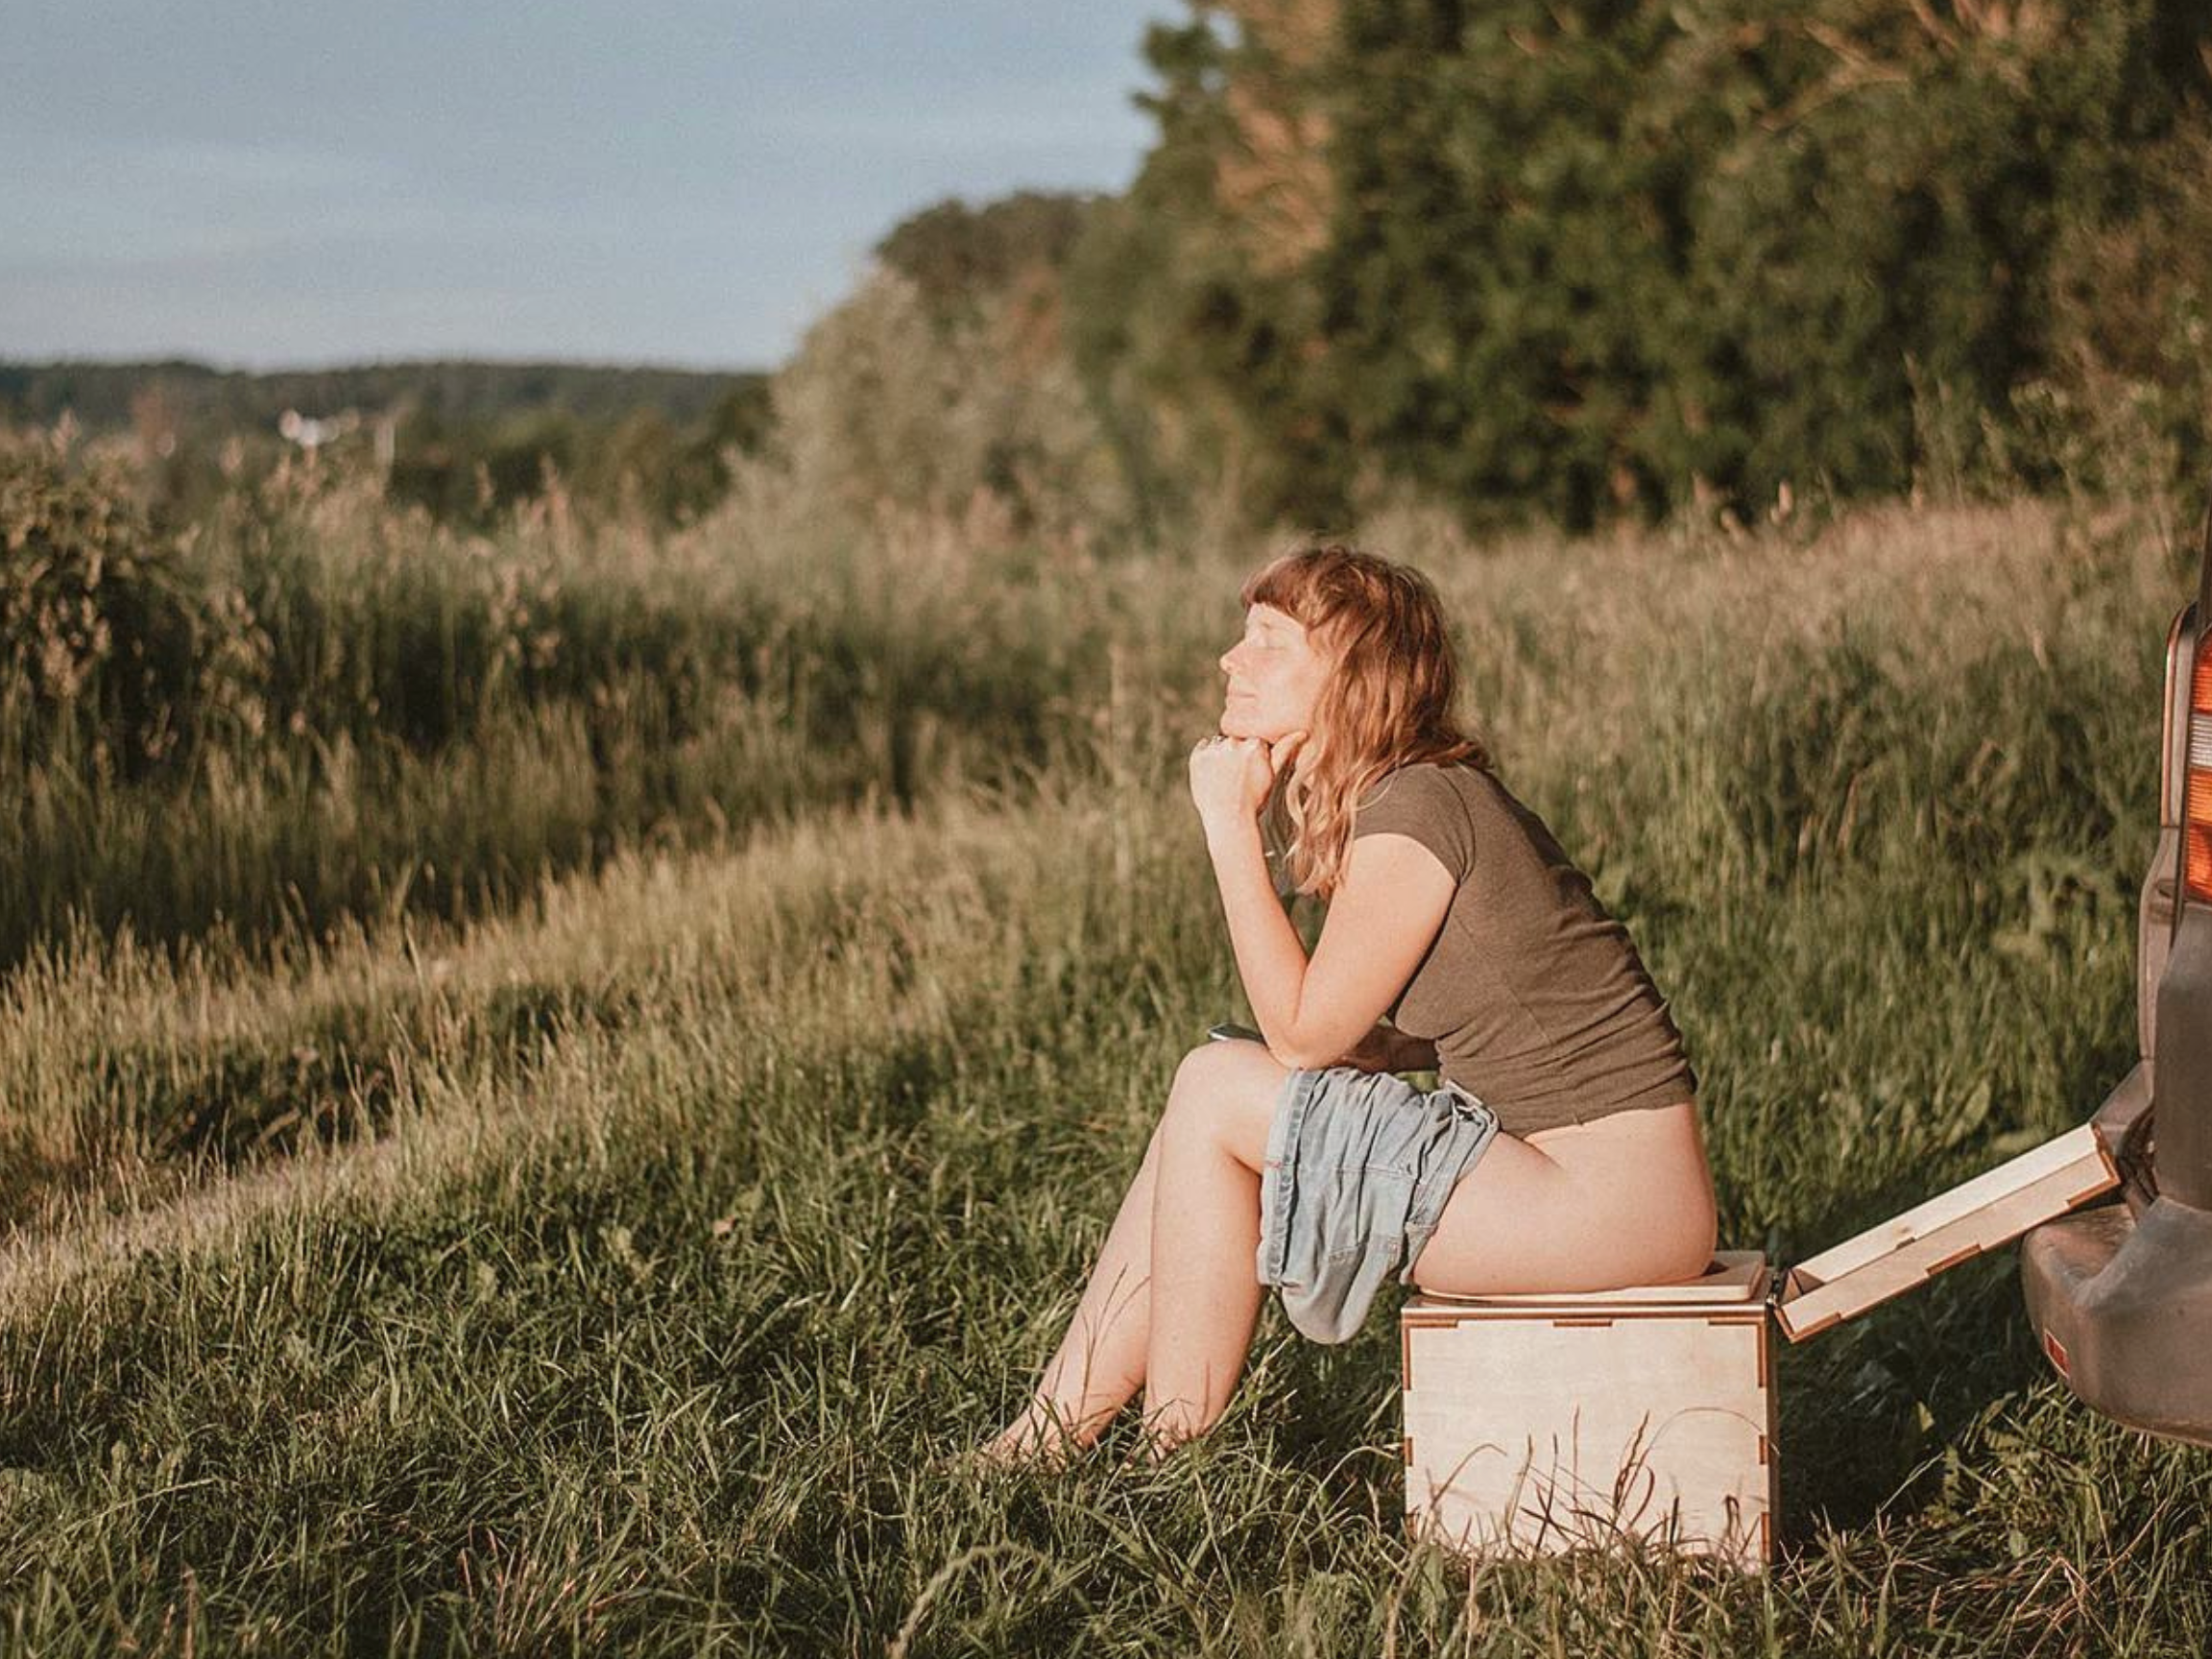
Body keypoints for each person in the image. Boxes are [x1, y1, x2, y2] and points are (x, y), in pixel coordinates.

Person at [980, 542, 1717, 1465]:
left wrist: (1225, 827)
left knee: (1216, 1086)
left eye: (1266, 642)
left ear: (1349, 678)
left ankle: (1169, 1460)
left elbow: (1302, 1034)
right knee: (1204, 1100)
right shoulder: (1418, 800)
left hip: (1606, 1207)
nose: (1229, 661)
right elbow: (1437, 1018)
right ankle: (1046, 1437)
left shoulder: (1419, 810)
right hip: (1584, 1191)